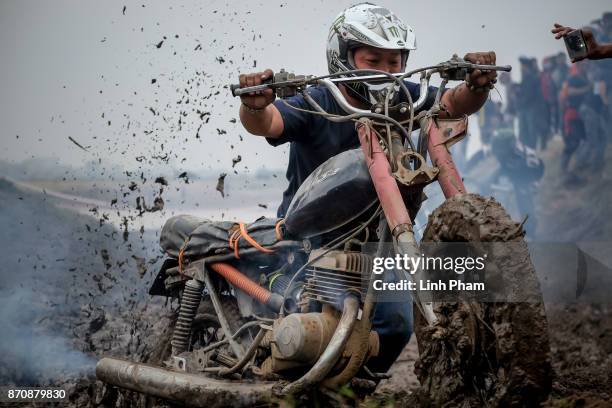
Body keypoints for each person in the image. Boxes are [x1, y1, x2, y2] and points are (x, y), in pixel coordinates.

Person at [237, 3, 498, 372]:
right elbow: (269, 121)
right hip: (311, 242)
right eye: (373, 60)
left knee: (395, 325)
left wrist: (476, 83)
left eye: (395, 62)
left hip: (379, 242)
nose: (387, 71)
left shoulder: (404, 97)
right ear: (343, 57)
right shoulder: (318, 99)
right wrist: (254, 104)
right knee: (304, 325)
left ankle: (352, 391)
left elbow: (453, 103)